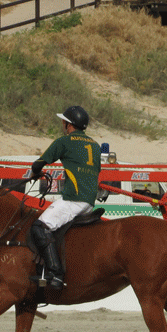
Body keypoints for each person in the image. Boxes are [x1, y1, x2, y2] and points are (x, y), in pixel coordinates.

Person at [29, 106, 102, 289]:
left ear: (67, 124)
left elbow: (38, 163)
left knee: (40, 226)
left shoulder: (64, 142)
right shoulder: (95, 145)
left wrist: (35, 173)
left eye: (64, 122)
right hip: (89, 201)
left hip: (73, 199)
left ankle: (56, 274)